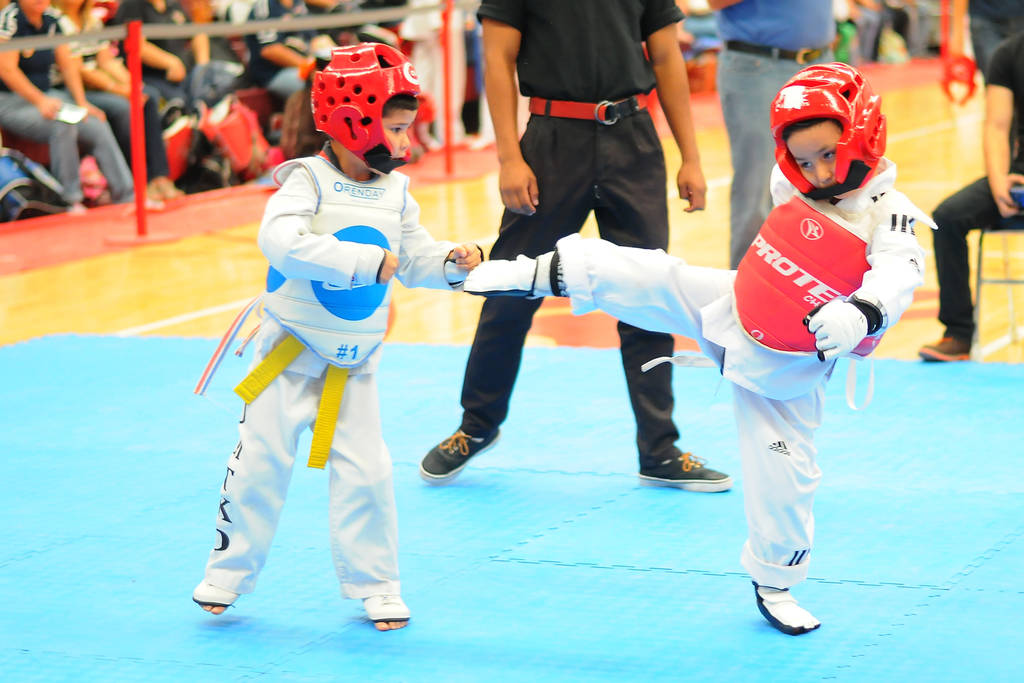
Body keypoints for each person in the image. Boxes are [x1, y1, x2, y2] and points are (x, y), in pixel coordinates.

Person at [462, 63, 931, 635]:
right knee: (651, 274)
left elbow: (900, 272)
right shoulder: (797, 182)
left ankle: (775, 582)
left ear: (864, 133)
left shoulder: (892, 210)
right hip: (735, 302)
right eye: (804, 160)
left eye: (829, 154)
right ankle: (530, 273)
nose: (818, 171)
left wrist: (862, 312)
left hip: (785, 364)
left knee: (786, 476)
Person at [191, 43, 483, 630]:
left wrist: (452, 261)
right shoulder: (308, 181)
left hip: (354, 366)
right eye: (397, 129)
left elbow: (413, 258)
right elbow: (280, 241)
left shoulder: (395, 193)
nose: (405, 144)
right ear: (357, 121)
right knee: (258, 465)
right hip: (288, 353)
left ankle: (377, 585)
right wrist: (357, 261)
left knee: (367, 472)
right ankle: (227, 573)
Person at [419, 0, 733, 493]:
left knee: (649, 298)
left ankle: (659, 449)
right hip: (550, 144)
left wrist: (690, 157)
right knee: (505, 289)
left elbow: (668, 57)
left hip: (634, 141)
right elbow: (497, 59)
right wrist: (508, 158)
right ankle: (476, 425)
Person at [918, 30, 1024, 361]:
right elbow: (996, 125)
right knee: (948, 217)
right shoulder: (1009, 53)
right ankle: (958, 334)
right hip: (1018, 177)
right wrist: (999, 184)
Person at [710, 0, 835, 269]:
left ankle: (817, 283)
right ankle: (747, 296)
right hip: (759, 65)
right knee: (756, 187)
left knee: (828, 181)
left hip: (820, 63)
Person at [0, 0, 134, 212]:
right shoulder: (10, 19)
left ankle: (126, 194)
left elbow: (67, 64)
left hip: (47, 95)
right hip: (10, 101)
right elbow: (6, 70)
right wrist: (40, 101)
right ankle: (70, 200)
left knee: (95, 123)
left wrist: (82, 103)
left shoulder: (52, 19)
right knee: (62, 125)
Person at [53, 0, 184, 203]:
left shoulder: (91, 20)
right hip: (73, 89)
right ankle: (140, 180)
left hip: (99, 85)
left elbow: (106, 61)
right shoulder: (57, 21)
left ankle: (159, 177)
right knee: (125, 108)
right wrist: (119, 90)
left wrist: (133, 85)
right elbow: (79, 70)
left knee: (147, 97)